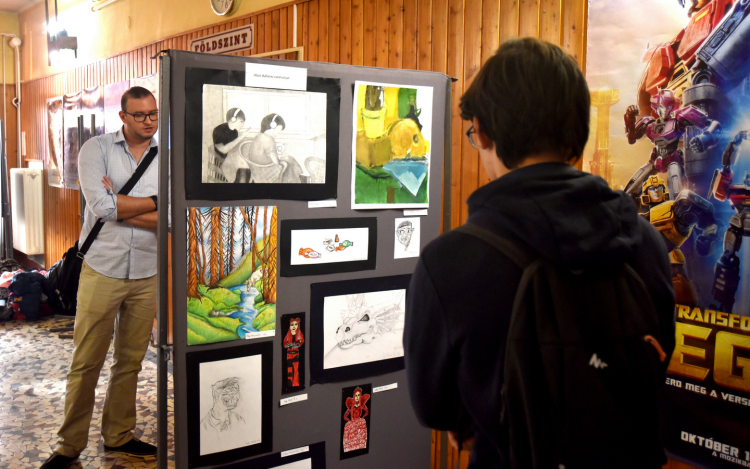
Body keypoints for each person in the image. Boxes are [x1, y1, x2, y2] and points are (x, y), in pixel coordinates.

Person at [403, 38, 676, 468]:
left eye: (474, 134)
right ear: (576, 130)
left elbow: (434, 408)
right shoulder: (645, 241)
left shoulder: (448, 263)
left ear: (485, 131)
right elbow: (655, 363)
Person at [41, 86, 161, 469]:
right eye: (140, 115)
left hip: (147, 271)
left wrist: (135, 206)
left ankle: (120, 435)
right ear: (123, 117)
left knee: (130, 361)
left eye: (153, 114)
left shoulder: (168, 157)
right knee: (86, 361)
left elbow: (174, 216)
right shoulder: (97, 150)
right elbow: (102, 207)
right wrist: (156, 206)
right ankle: (68, 445)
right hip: (101, 267)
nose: (149, 122)